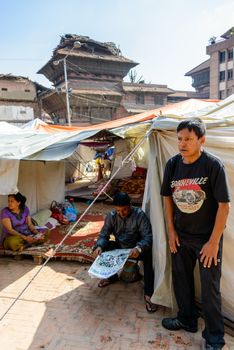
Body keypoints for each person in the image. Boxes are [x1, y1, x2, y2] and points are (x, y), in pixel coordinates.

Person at [160, 118, 230, 349]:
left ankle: (214, 338)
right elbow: (167, 198)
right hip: (180, 236)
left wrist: (213, 242)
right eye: (180, 139)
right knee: (181, 281)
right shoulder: (172, 165)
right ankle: (187, 319)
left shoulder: (212, 165)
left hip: (206, 239)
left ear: (201, 140)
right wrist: (171, 231)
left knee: (210, 290)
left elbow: (224, 206)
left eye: (188, 139)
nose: (182, 144)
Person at [93, 192, 157, 313]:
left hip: (135, 249)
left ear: (130, 205)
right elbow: (103, 235)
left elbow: (148, 237)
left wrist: (138, 248)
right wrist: (99, 246)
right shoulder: (111, 216)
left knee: (149, 257)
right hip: (120, 246)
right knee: (103, 248)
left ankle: (149, 294)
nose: (121, 214)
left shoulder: (139, 215)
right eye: (118, 210)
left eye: (125, 210)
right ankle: (111, 277)